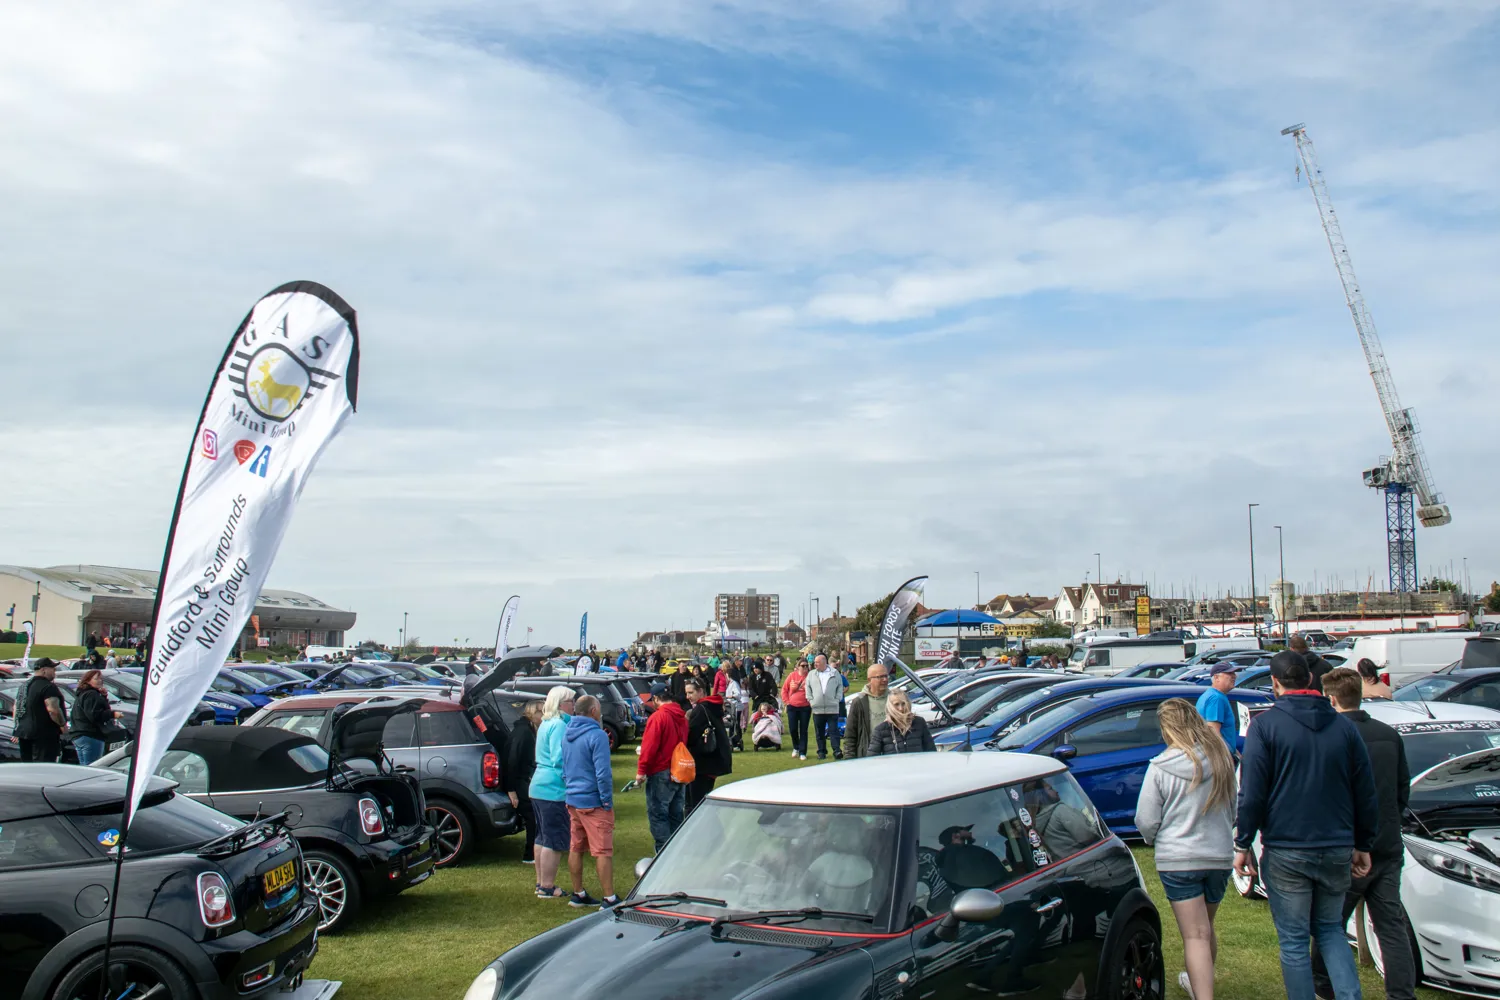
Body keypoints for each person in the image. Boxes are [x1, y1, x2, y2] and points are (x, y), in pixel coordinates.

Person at [1235, 651, 1379, 1000]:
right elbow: (1365, 791)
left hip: (1288, 847)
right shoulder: (1343, 727)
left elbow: (1252, 792)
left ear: (1275, 683)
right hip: (1334, 843)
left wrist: (1242, 842)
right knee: (1330, 930)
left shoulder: (1266, 726)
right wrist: (1363, 843)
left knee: (1295, 940)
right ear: (1311, 680)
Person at [1312, 668, 1416, 1000]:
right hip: (1387, 842)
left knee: (1329, 923)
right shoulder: (1388, 734)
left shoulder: (1329, 737)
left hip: (1347, 845)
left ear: (1331, 699)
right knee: (1390, 924)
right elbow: (1402, 788)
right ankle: (1401, 993)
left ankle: (1323, 985)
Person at [1135, 699, 1238, 1000]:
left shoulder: (1160, 767)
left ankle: (1202, 992)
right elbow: (1233, 809)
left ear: (1166, 728)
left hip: (1179, 859)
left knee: (1195, 935)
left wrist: (1152, 838)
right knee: (1205, 929)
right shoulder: (1222, 759)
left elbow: (1145, 820)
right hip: (1218, 855)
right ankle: (1199, 985)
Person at [562, 694, 618, 908]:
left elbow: (565, 766)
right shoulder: (598, 735)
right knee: (602, 850)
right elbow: (603, 773)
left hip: (573, 799)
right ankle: (609, 898)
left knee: (576, 847)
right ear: (593, 711)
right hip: (593, 801)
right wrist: (606, 801)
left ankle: (578, 893)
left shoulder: (567, 732)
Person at [528, 685, 576, 900]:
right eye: (570, 702)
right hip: (552, 788)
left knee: (542, 837)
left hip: (539, 786)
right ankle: (547, 886)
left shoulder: (546, 723)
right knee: (554, 839)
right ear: (560, 704)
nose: (573, 705)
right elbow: (559, 759)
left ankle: (541, 883)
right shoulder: (559, 725)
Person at [635, 683, 689, 853]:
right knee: (676, 814)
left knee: (658, 815)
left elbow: (649, 747)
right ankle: (677, 852)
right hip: (679, 770)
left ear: (657, 699)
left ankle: (663, 854)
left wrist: (641, 771)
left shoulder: (658, 717)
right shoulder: (682, 716)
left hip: (661, 771)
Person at [504, 700, 542, 866]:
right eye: (541, 712)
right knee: (532, 816)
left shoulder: (527, 730)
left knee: (533, 816)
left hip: (523, 779)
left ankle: (533, 851)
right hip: (519, 781)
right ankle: (529, 854)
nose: (544, 716)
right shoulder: (524, 733)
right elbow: (512, 760)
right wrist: (511, 789)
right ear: (533, 713)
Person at [685, 679, 732, 809]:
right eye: (686, 693)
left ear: (700, 691)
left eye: (691, 693)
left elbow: (691, 736)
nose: (687, 697)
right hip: (714, 761)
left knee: (696, 805)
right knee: (703, 802)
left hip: (703, 764)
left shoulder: (700, 709)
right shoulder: (712, 706)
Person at [13, 658, 65, 763]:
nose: (55, 672)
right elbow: (53, 710)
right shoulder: (48, 687)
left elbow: (16, 708)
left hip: (23, 733)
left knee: (28, 767)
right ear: (44, 670)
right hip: (43, 735)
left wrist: (17, 728)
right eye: (53, 669)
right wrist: (62, 724)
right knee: (43, 767)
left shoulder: (24, 686)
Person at [69, 668, 122, 766]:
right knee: (93, 766)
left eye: (100, 678)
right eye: (96, 679)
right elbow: (94, 715)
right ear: (88, 681)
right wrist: (112, 714)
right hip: (89, 735)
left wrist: (104, 696)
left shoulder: (83, 694)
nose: (100, 681)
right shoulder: (91, 694)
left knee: (85, 766)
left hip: (79, 734)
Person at [842, 661, 890, 759]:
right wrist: (849, 759)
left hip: (892, 755)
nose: (885, 679)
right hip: (868, 756)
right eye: (880, 677)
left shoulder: (894, 699)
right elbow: (850, 735)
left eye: (886, 676)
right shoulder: (859, 702)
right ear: (869, 680)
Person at [866, 689, 936, 754]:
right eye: (896, 704)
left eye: (903, 703)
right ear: (890, 706)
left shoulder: (919, 722)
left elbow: (931, 751)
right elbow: (872, 758)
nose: (901, 708)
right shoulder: (881, 729)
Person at [806, 654, 844, 760]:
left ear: (824, 662)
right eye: (815, 662)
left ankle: (837, 751)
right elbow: (807, 688)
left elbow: (840, 687)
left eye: (817, 662)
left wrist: (837, 699)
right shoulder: (811, 674)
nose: (815, 664)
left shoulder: (834, 673)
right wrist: (811, 701)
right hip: (817, 708)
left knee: (833, 730)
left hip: (832, 708)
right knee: (819, 732)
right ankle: (821, 752)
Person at [1194, 664, 1239, 750]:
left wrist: (1235, 753)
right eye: (1230, 673)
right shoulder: (1216, 698)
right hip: (1219, 756)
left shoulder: (1213, 695)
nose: (1234, 676)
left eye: (1234, 673)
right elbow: (1213, 733)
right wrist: (1227, 755)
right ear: (1216, 677)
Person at [781, 658, 812, 760]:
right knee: (793, 729)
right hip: (792, 706)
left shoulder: (810, 676)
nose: (805, 668)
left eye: (806, 666)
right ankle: (796, 747)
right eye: (803, 666)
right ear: (798, 667)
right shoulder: (792, 676)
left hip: (805, 706)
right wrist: (787, 702)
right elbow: (784, 690)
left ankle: (803, 752)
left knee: (803, 729)